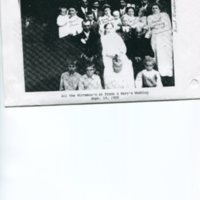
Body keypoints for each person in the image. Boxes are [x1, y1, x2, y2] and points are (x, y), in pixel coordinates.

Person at [147, 3, 173, 85]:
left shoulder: (164, 15)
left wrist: (158, 28)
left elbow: (168, 26)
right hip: (155, 37)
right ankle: (160, 74)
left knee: (166, 55)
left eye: (156, 8)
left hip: (164, 37)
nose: (154, 9)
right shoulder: (150, 17)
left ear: (159, 9)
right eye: (153, 8)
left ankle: (169, 74)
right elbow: (149, 27)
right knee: (157, 54)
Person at [101, 23, 134, 87]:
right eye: (107, 28)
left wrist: (119, 54)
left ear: (113, 29)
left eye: (110, 28)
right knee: (109, 69)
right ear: (105, 29)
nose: (109, 30)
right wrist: (112, 55)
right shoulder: (103, 38)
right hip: (109, 57)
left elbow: (123, 48)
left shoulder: (117, 37)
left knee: (127, 65)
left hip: (119, 56)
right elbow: (104, 51)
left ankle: (126, 86)